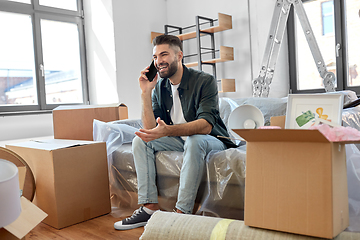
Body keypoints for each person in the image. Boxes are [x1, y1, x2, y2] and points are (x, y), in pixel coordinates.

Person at [114, 34, 236, 231]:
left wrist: (167, 130)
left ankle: (182, 214)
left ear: (179, 55)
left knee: (195, 140)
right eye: (155, 57)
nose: (158, 61)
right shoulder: (160, 86)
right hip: (180, 139)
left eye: (164, 55)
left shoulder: (205, 81)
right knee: (141, 141)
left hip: (212, 139)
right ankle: (149, 208)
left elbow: (205, 126)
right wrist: (145, 92)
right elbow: (149, 128)